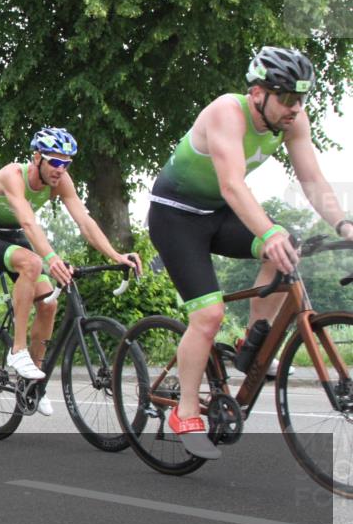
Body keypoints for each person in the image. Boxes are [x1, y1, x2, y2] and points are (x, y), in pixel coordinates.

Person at [148, 46, 353, 459]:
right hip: (176, 217)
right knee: (207, 315)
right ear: (258, 92)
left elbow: (312, 180)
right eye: (287, 99)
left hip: (217, 214)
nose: (295, 108)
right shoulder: (228, 111)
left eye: (301, 100)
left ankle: (252, 345)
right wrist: (268, 230)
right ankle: (185, 411)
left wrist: (345, 226)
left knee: (287, 247)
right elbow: (232, 185)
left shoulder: (291, 121)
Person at [0, 127, 142, 416]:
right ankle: (18, 350)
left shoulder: (61, 182)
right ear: (37, 157)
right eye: (55, 162)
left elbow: (85, 222)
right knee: (33, 263)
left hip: (15, 239)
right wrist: (50, 258)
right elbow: (27, 222)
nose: (61, 169)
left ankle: (34, 382)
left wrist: (115, 254)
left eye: (67, 163)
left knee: (49, 304)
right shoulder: (13, 175)